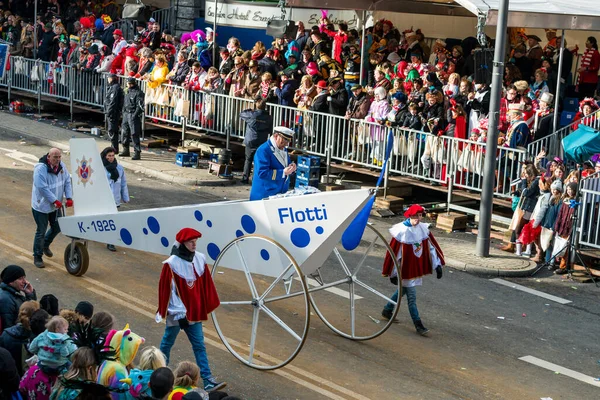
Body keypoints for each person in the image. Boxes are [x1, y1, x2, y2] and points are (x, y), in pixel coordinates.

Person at [156, 228, 224, 392]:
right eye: (190, 242)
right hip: (177, 314)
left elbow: (203, 286)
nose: (194, 244)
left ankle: (207, 379)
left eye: (195, 241)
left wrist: (202, 306)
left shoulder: (199, 259)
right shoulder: (171, 263)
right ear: (182, 243)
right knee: (167, 344)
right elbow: (169, 290)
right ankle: (158, 375)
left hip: (193, 314)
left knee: (199, 345)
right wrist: (179, 314)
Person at [380, 205, 444, 335]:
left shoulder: (422, 228)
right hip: (405, 270)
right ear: (410, 216)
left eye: (420, 216)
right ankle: (418, 324)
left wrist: (437, 264)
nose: (418, 219)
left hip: (415, 268)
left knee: (402, 290)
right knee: (412, 298)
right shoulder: (401, 231)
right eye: (415, 216)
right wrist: (393, 273)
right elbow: (394, 254)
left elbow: (430, 247)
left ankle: (387, 309)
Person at [31, 148, 73, 268]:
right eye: (55, 157)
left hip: (55, 205)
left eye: (59, 157)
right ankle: (37, 256)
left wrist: (69, 197)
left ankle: (45, 244)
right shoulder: (40, 169)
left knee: (57, 226)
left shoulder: (61, 167)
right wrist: (54, 200)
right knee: (41, 231)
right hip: (42, 206)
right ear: (49, 157)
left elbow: (67, 182)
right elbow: (42, 188)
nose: (58, 159)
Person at [249, 127, 296, 201]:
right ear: (276, 136)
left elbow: (284, 164)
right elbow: (262, 173)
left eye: (288, 141)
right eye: (285, 140)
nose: (287, 144)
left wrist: (291, 167)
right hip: (264, 195)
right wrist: (283, 172)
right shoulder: (263, 150)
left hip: (279, 194)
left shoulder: (282, 148)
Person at [101, 147, 130, 251]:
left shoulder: (119, 168)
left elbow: (123, 184)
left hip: (115, 199)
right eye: (109, 156)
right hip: (103, 200)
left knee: (112, 221)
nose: (111, 158)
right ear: (105, 156)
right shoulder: (100, 168)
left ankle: (111, 242)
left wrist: (125, 197)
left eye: (113, 155)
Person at [239, 99, 273, 185]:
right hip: (262, 141)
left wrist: (250, 110)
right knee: (258, 161)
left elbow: (241, 114)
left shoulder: (252, 114)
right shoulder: (268, 117)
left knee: (248, 159)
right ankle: (256, 180)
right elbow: (270, 130)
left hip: (251, 140)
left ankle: (245, 178)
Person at [0, 265, 37, 331]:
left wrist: (29, 293)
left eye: (24, 278)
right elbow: (8, 328)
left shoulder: (14, 293)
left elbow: (29, 310)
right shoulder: (6, 300)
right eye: (20, 278)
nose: (25, 281)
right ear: (11, 282)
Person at [121, 77, 145, 160]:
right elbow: (124, 102)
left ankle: (137, 152)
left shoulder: (138, 93)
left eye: (128, 83)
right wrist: (123, 111)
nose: (127, 85)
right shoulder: (127, 91)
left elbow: (140, 106)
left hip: (133, 114)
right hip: (126, 114)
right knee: (124, 132)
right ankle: (125, 149)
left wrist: (134, 115)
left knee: (134, 134)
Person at [104, 73, 124, 153]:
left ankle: (114, 148)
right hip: (111, 111)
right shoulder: (112, 87)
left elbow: (113, 101)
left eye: (109, 78)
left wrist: (109, 112)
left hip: (113, 112)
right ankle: (113, 147)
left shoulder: (115, 88)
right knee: (111, 130)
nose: (108, 80)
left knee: (112, 130)